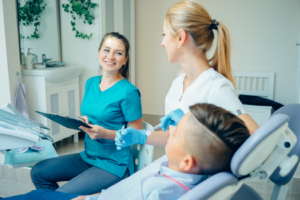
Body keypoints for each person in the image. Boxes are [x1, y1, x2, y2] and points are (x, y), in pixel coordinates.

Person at [1, 103, 250, 200]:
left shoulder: (160, 191)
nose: (168, 133)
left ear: (187, 161)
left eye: (174, 134)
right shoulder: (177, 167)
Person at [114, 0, 259, 151]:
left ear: (180, 37)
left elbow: (256, 136)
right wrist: (142, 136)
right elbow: (173, 137)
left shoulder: (216, 87)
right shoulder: (177, 84)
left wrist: (190, 122)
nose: (162, 43)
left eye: (164, 34)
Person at [30, 32, 143, 195]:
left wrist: (106, 134)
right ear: (99, 53)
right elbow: (94, 115)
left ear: (125, 60)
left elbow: (138, 134)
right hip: (89, 156)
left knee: (62, 195)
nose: (111, 56)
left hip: (115, 164)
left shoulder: (129, 92)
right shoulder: (91, 83)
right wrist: (83, 122)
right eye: (106, 50)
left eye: (118, 53)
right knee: (38, 172)